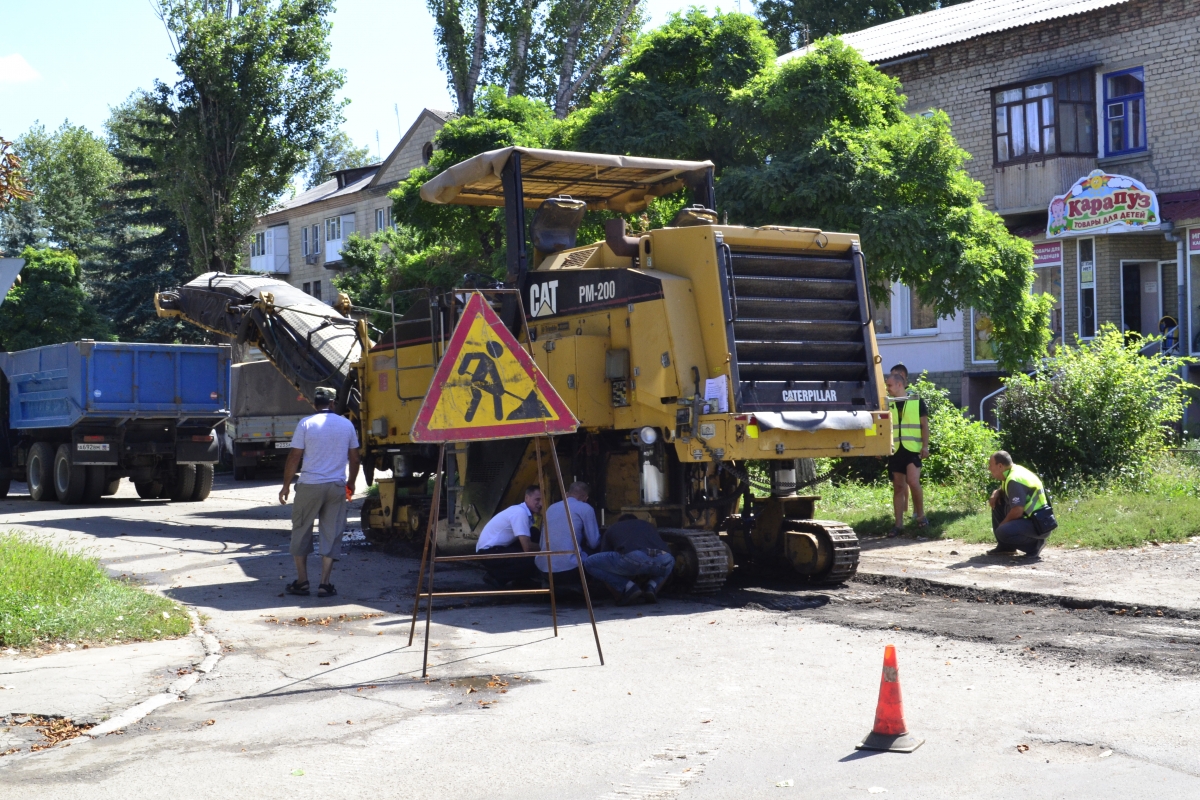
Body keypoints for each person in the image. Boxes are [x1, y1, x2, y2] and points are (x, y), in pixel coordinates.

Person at [280, 386, 360, 599]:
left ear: (314, 404)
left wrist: (286, 485)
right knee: (331, 532)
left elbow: (294, 457)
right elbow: (355, 459)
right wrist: (350, 483)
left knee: (301, 530)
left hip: (309, 486)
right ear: (333, 403)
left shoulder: (306, 424)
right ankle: (325, 583)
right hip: (335, 487)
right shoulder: (347, 425)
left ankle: (302, 581)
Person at [585, 514, 675, 605]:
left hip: (634, 558)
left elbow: (604, 556)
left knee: (590, 563)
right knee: (670, 562)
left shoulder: (613, 527)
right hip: (664, 557)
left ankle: (628, 588)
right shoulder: (648, 525)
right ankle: (651, 587)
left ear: (620, 522)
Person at [885, 364, 929, 537]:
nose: (887, 389)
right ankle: (898, 525)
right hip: (895, 450)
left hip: (912, 449)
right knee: (898, 487)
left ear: (899, 385)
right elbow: (880, 426)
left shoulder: (917, 401)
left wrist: (925, 446)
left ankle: (921, 516)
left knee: (912, 481)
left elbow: (924, 425)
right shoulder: (887, 403)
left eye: (889, 385)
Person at [537, 481, 601, 589]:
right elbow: (594, 543)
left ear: (567, 494)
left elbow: (541, 543)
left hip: (544, 569)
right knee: (596, 553)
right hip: (571, 570)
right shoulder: (585, 508)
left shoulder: (550, 508)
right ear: (585, 497)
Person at [475, 485, 542, 587]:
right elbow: (527, 548)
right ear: (527, 498)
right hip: (489, 552)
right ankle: (496, 577)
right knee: (531, 561)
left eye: (542, 500)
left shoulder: (522, 511)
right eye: (537, 499)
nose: (540, 503)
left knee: (533, 532)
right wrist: (547, 548)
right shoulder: (521, 513)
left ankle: (522, 579)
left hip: (495, 549)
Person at [986, 451, 1049, 558]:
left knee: (1002, 531)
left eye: (990, 465)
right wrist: (997, 492)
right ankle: (1006, 547)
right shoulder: (1010, 472)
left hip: (1039, 523)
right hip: (1034, 520)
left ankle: (1035, 545)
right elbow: (1009, 492)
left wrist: (1002, 526)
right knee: (998, 503)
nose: (989, 468)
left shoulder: (1014, 479)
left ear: (1000, 466)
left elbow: (1017, 511)